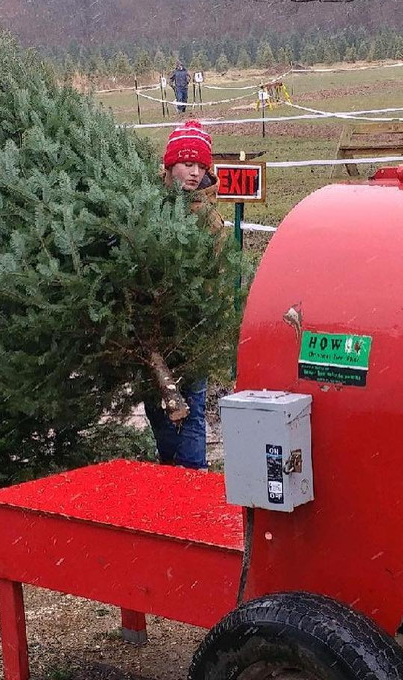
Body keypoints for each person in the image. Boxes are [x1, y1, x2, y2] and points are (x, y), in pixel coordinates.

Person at [145, 120, 223, 470]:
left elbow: (216, 275)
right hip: (155, 330)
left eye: (200, 167)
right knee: (156, 406)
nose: (194, 173)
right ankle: (169, 475)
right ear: (169, 166)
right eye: (187, 164)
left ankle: (194, 478)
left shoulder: (209, 219)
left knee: (191, 405)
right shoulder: (150, 207)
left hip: (193, 327)